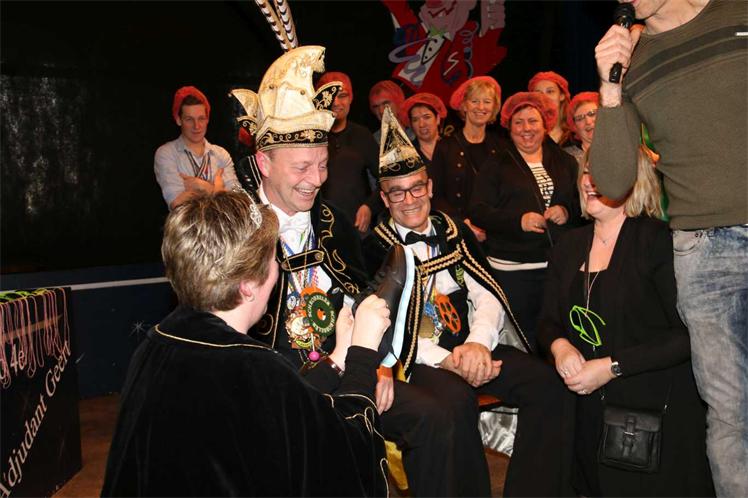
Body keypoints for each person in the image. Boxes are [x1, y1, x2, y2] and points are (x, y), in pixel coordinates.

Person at [232, 47, 479, 498]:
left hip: (353, 369)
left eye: (323, 165)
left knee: (438, 417)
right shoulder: (235, 229)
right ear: (264, 163)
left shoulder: (333, 221)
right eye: (302, 167)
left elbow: (362, 295)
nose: (315, 179)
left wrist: (378, 365)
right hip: (279, 393)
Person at [101, 190, 391, 497]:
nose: (277, 269)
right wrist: (363, 352)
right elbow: (345, 453)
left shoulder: (157, 344)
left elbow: (278, 412)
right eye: (273, 260)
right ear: (248, 285)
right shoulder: (253, 367)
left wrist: (339, 356)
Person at [364, 106, 574, 497]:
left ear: (430, 187)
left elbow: (486, 291)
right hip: (417, 357)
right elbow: (381, 328)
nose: (409, 200)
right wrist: (448, 360)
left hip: (471, 344)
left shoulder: (452, 230)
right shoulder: (374, 247)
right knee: (455, 402)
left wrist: (478, 343)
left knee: (548, 385)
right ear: (384, 198)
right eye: (397, 192)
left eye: (416, 188)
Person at [589, 1, 747, 494]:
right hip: (704, 254)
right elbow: (612, 180)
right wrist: (610, 88)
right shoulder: (630, 58)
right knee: (731, 415)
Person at [538, 148, 713, 496]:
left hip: (652, 410)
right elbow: (546, 321)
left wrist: (611, 366)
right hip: (586, 406)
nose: (589, 182)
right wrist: (561, 348)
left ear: (633, 181)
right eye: (586, 172)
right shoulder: (568, 245)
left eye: (602, 172)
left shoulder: (659, 241)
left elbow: (687, 335)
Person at [469, 91, 579, 352]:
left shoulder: (565, 161)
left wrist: (567, 211)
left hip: (556, 267)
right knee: (524, 342)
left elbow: (581, 204)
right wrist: (518, 221)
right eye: (518, 122)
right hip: (513, 271)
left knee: (558, 337)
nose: (526, 128)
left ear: (545, 124)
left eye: (532, 121)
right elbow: (478, 211)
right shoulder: (496, 163)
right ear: (509, 128)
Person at [430, 76, 505, 242]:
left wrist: (492, 224)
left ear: (494, 107)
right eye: (474, 101)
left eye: (487, 101)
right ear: (464, 105)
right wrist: (464, 224)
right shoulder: (445, 147)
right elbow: (435, 195)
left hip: (495, 235)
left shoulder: (502, 147)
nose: (481, 107)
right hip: (457, 233)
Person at [314, 71, 382, 234]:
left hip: (357, 230)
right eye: (330, 97)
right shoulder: (312, 137)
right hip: (320, 228)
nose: (336, 102)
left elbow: (386, 178)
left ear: (351, 98)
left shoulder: (362, 135)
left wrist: (369, 207)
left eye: (342, 96)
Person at [154, 86, 239, 209]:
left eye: (201, 119)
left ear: (207, 119)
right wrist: (218, 190)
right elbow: (177, 205)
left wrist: (203, 187)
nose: (197, 126)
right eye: (189, 119)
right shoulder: (166, 153)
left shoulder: (221, 154)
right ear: (178, 120)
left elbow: (237, 202)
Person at [399, 92, 447, 165]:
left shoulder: (453, 146)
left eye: (427, 117)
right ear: (411, 125)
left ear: (437, 119)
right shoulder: (406, 155)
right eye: (415, 120)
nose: (421, 124)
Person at [528, 71, 572, 145]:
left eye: (550, 91)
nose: (544, 97)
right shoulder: (526, 134)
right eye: (538, 93)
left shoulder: (576, 134)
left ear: (562, 96)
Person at [368, 80, 414, 144]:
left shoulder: (417, 131)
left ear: (398, 102)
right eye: (376, 107)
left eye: (385, 103)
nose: (381, 111)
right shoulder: (373, 141)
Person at [563, 92, 599, 167]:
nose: (588, 122)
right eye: (580, 118)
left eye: (592, 114)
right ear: (575, 127)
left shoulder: (622, 148)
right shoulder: (566, 158)